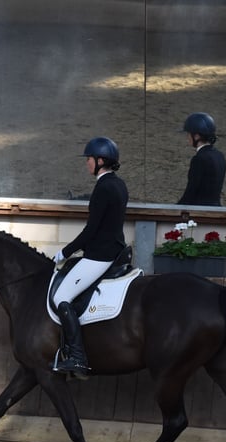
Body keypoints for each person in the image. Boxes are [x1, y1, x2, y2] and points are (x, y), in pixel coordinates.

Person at [52, 136, 129, 377]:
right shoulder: (119, 185)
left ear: (101, 161)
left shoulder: (103, 188)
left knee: (62, 296)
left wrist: (65, 251)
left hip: (100, 256)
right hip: (114, 251)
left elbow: (91, 230)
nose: (86, 163)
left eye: (89, 159)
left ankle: (77, 357)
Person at [177, 112, 226, 206]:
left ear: (196, 136)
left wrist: (175, 208)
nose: (187, 137)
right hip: (216, 209)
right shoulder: (220, 156)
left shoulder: (199, 159)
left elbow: (191, 192)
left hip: (199, 211)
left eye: (188, 134)